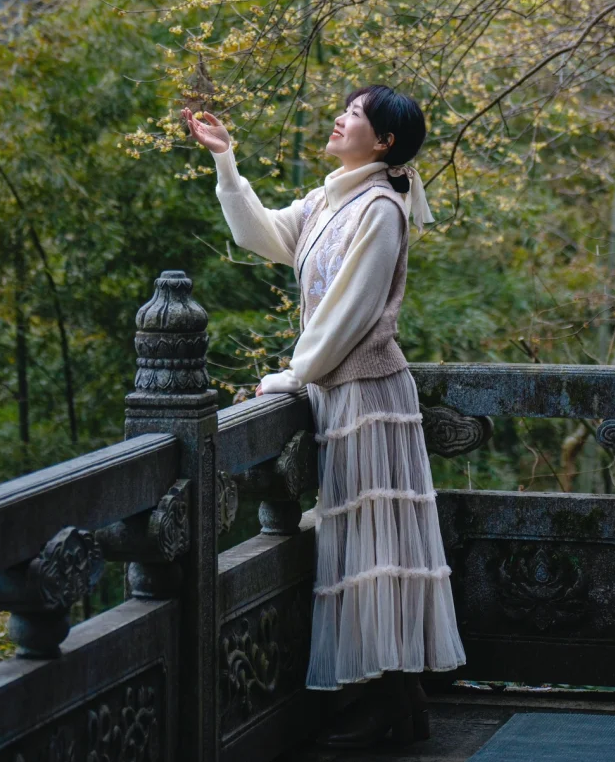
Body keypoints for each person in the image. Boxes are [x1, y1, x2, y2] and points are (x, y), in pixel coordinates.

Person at [183, 85, 466, 749]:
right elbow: (264, 234)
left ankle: (385, 698)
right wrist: (228, 162)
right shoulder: (328, 198)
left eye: (356, 114)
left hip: (368, 398)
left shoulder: (381, 209)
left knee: (375, 550)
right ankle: (400, 701)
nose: (341, 119)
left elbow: (349, 316)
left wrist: (292, 374)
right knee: (365, 547)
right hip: (338, 396)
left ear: (385, 140)